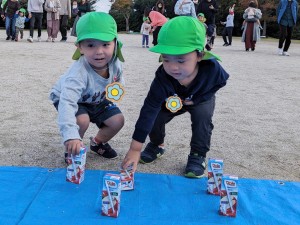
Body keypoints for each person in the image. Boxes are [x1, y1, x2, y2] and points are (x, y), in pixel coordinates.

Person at [121, 16, 229, 178]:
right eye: (166, 59)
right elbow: (149, 108)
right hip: (174, 99)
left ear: (199, 55)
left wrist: (198, 99)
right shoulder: (162, 76)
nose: (173, 67)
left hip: (201, 98)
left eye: (181, 60)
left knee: (203, 118)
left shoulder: (212, 68)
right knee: (155, 116)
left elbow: (221, 82)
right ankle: (157, 144)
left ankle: (198, 155)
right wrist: (135, 148)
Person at [49, 12, 125, 160]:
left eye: (106, 44)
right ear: (80, 48)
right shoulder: (78, 73)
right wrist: (71, 135)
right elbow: (68, 103)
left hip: (95, 99)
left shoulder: (115, 62)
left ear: (115, 43)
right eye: (90, 45)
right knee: (81, 120)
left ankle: (97, 143)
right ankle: (72, 149)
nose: (99, 52)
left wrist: (113, 96)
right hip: (70, 99)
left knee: (117, 120)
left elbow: (118, 81)